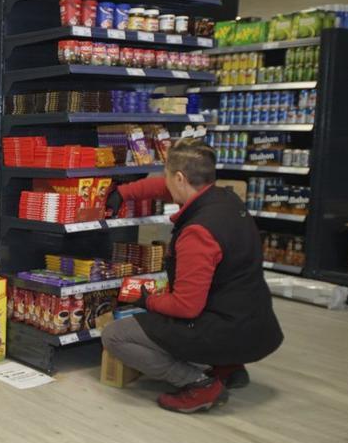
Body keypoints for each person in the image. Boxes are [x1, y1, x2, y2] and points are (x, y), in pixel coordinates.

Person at [100, 138, 283, 413]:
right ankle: (227, 366)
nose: (165, 184)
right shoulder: (226, 199)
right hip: (255, 323)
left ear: (181, 178)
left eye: (167, 176)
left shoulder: (198, 233)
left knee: (115, 335)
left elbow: (186, 307)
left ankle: (198, 384)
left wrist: (147, 300)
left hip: (224, 328)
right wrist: (125, 193)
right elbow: (167, 189)